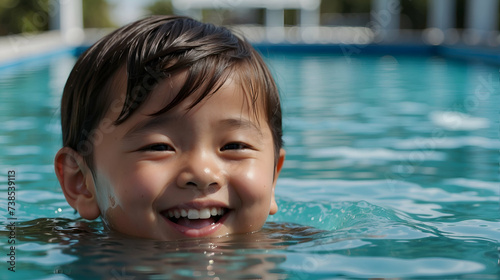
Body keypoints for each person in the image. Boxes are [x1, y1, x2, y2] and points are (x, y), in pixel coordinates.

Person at [53, 15, 285, 240]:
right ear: (81, 182)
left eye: (234, 145)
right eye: (159, 146)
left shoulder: (303, 247)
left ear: (273, 176)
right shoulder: (65, 250)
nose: (202, 174)